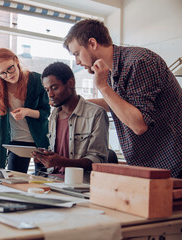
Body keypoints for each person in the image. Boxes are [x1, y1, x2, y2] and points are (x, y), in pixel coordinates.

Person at [63, 19, 182, 178]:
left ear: (92, 43)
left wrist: (103, 87)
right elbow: (118, 104)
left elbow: (139, 124)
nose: (77, 61)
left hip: (174, 164)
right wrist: (78, 103)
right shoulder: (112, 71)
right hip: (152, 167)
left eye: (77, 53)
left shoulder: (139, 62)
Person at [0, 48, 50, 173]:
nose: (9, 75)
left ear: (16, 60)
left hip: (40, 143)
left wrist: (27, 112)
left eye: (10, 68)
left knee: (42, 182)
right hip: (16, 144)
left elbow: (46, 112)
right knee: (14, 182)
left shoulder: (36, 80)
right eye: (3, 73)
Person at [32, 62, 109, 180]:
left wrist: (62, 162)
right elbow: (57, 154)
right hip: (51, 180)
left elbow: (98, 160)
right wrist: (43, 158)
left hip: (78, 184)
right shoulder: (54, 116)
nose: (50, 94)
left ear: (71, 83)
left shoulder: (96, 114)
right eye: (47, 90)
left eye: (54, 88)